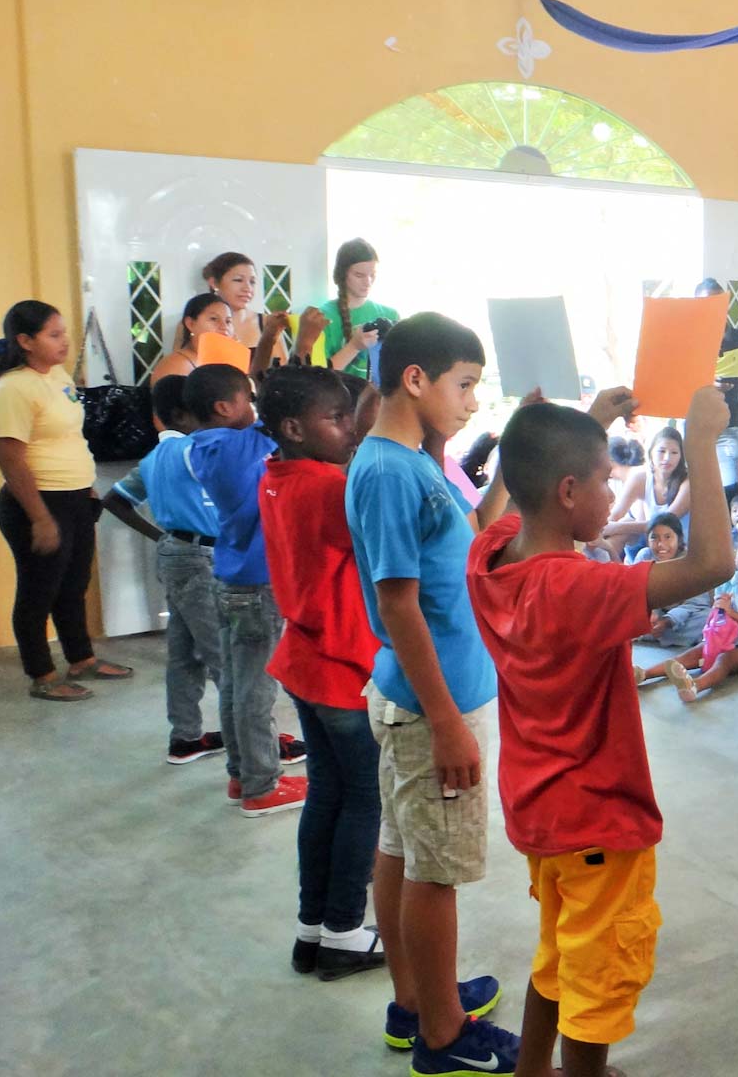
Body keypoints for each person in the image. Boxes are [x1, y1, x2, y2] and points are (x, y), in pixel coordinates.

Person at [468, 385, 726, 1077]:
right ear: (568, 491)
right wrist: (702, 441)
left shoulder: (490, 559)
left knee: (558, 955)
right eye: (606, 481)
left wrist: (587, 423)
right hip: (597, 820)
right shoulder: (579, 587)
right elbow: (713, 566)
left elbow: (511, 496)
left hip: (539, 808)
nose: (614, 497)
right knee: (597, 983)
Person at [344, 312, 515, 1070]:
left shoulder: (415, 461)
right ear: (415, 380)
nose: (473, 401)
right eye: (465, 385)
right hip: (429, 705)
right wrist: (447, 723)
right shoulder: (388, 472)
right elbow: (398, 604)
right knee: (434, 871)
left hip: (430, 696)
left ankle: (417, 998)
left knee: (402, 847)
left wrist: (489, 457)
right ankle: (443, 1035)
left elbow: (474, 533)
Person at [256, 366, 387, 978]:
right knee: (365, 799)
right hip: (341, 669)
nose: (350, 430)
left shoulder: (277, 476)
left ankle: (313, 930)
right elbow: (388, 518)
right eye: (337, 420)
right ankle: (344, 933)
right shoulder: (329, 488)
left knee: (328, 794)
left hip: (306, 663)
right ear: (292, 428)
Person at [0, 301, 132, 702]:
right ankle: (42, 674)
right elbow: (11, 459)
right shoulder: (12, 389)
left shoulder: (56, 376)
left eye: (64, 332)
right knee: (39, 591)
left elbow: (68, 438)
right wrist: (39, 517)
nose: (64, 341)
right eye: (53, 335)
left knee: (73, 585)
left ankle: (81, 659)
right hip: (36, 502)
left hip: (75, 497)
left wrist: (86, 487)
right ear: (25, 341)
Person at [186, 363, 309, 816]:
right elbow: (282, 416)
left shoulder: (205, 445)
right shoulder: (238, 447)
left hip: (231, 576)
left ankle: (241, 773)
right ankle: (261, 785)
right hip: (258, 582)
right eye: (247, 398)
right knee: (257, 690)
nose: (255, 406)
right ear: (224, 407)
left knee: (236, 684)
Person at [102, 376, 224, 757]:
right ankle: (253, 744)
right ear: (184, 415)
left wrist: (163, 538)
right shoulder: (197, 450)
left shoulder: (154, 458)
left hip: (177, 553)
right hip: (204, 558)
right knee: (225, 654)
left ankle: (185, 737)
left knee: (184, 652)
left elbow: (114, 500)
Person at [663, 529, 738, 703]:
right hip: (728, 635)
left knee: (724, 659)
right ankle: (644, 674)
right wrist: (714, 630)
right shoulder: (728, 581)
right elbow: (717, 614)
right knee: (695, 652)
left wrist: (731, 612)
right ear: (735, 553)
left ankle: (695, 686)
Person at [699, 278, 738, 478]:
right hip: (695, 424)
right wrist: (709, 385)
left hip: (727, 425)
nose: (714, 307)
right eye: (707, 302)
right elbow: (678, 378)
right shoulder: (690, 340)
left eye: (719, 302)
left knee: (729, 485)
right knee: (693, 486)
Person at [316, 238, 400, 380]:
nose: (368, 282)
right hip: (338, 393)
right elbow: (318, 378)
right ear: (342, 275)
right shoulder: (321, 317)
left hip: (377, 394)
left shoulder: (389, 314)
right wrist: (354, 346)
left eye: (372, 275)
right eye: (359, 275)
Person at [632, 514, 712, 650]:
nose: (661, 544)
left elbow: (696, 603)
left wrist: (668, 621)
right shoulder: (644, 556)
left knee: (708, 618)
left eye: (667, 537)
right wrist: (651, 612)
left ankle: (649, 634)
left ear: (679, 539)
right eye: (654, 537)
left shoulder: (689, 561)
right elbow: (635, 592)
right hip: (652, 616)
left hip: (681, 618)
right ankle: (657, 633)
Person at [604, 426, 691, 550]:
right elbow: (615, 515)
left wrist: (616, 527)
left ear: (681, 457)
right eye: (662, 451)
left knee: (626, 528)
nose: (667, 458)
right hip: (653, 545)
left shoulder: (687, 482)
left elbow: (664, 523)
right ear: (651, 453)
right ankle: (600, 559)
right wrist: (604, 530)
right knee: (624, 525)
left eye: (674, 453)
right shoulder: (640, 478)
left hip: (681, 549)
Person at [203, 251, 291, 369]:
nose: (247, 288)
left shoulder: (268, 323)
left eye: (252, 282)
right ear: (214, 283)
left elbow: (283, 371)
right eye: (238, 280)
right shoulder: (198, 322)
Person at [151, 292, 235, 383]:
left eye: (228, 321)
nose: (224, 327)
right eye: (214, 319)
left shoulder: (226, 363)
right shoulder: (177, 365)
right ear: (190, 324)